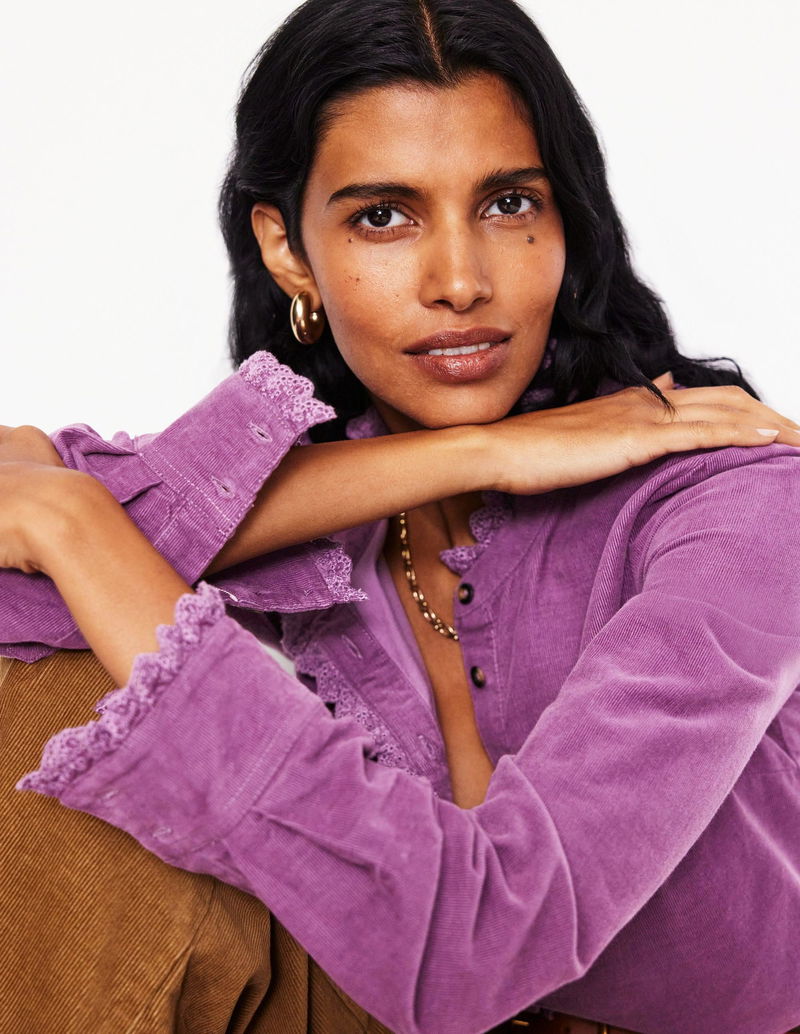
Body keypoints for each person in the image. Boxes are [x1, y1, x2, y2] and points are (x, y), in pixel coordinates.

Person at [1, 1, 800, 1032]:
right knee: (54, 684)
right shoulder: (344, 500)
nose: (460, 282)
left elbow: (477, 946)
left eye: (508, 203)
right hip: (362, 1005)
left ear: (568, 223)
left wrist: (71, 520)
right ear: (288, 251)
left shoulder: (739, 502)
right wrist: (470, 453)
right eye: (384, 216)